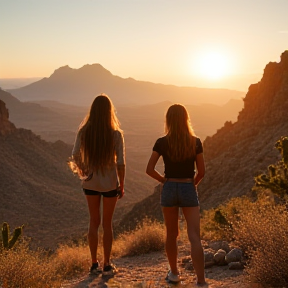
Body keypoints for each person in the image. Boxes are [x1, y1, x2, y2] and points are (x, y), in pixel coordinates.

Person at [146, 103, 206, 285]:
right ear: (186, 119)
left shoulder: (161, 142)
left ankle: (174, 273)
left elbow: (149, 169)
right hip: (188, 186)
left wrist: (164, 181)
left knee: (171, 234)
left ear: (168, 120)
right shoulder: (195, 142)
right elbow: (202, 171)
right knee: (194, 236)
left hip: (169, 188)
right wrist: (192, 184)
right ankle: (201, 281)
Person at [70, 94, 125, 275]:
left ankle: (94, 264)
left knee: (93, 222)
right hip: (110, 183)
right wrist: (121, 185)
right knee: (107, 224)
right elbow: (121, 163)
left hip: (90, 182)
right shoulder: (116, 134)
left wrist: (84, 170)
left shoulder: (84, 131)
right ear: (109, 111)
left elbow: (75, 154)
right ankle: (107, 264)